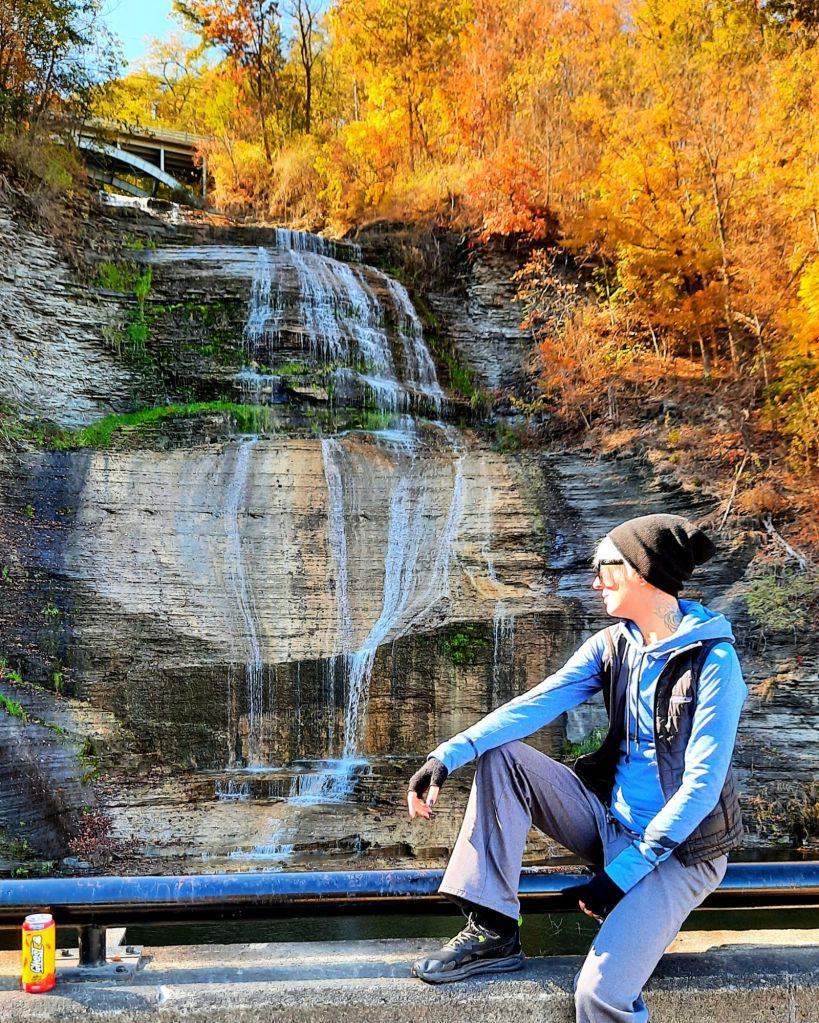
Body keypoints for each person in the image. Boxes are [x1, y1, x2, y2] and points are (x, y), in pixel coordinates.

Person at [406, 513, 746, 1023]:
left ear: (642, 569)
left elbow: (701, 788)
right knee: (503, 758)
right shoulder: (613, 646)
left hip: (681, 855)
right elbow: (536, 704)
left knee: (599, 994)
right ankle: (495, 930)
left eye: (605, 566)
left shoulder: (714, 664)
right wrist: (447, 755)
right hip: (611, 824)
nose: (595, 580)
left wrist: (620, 876)